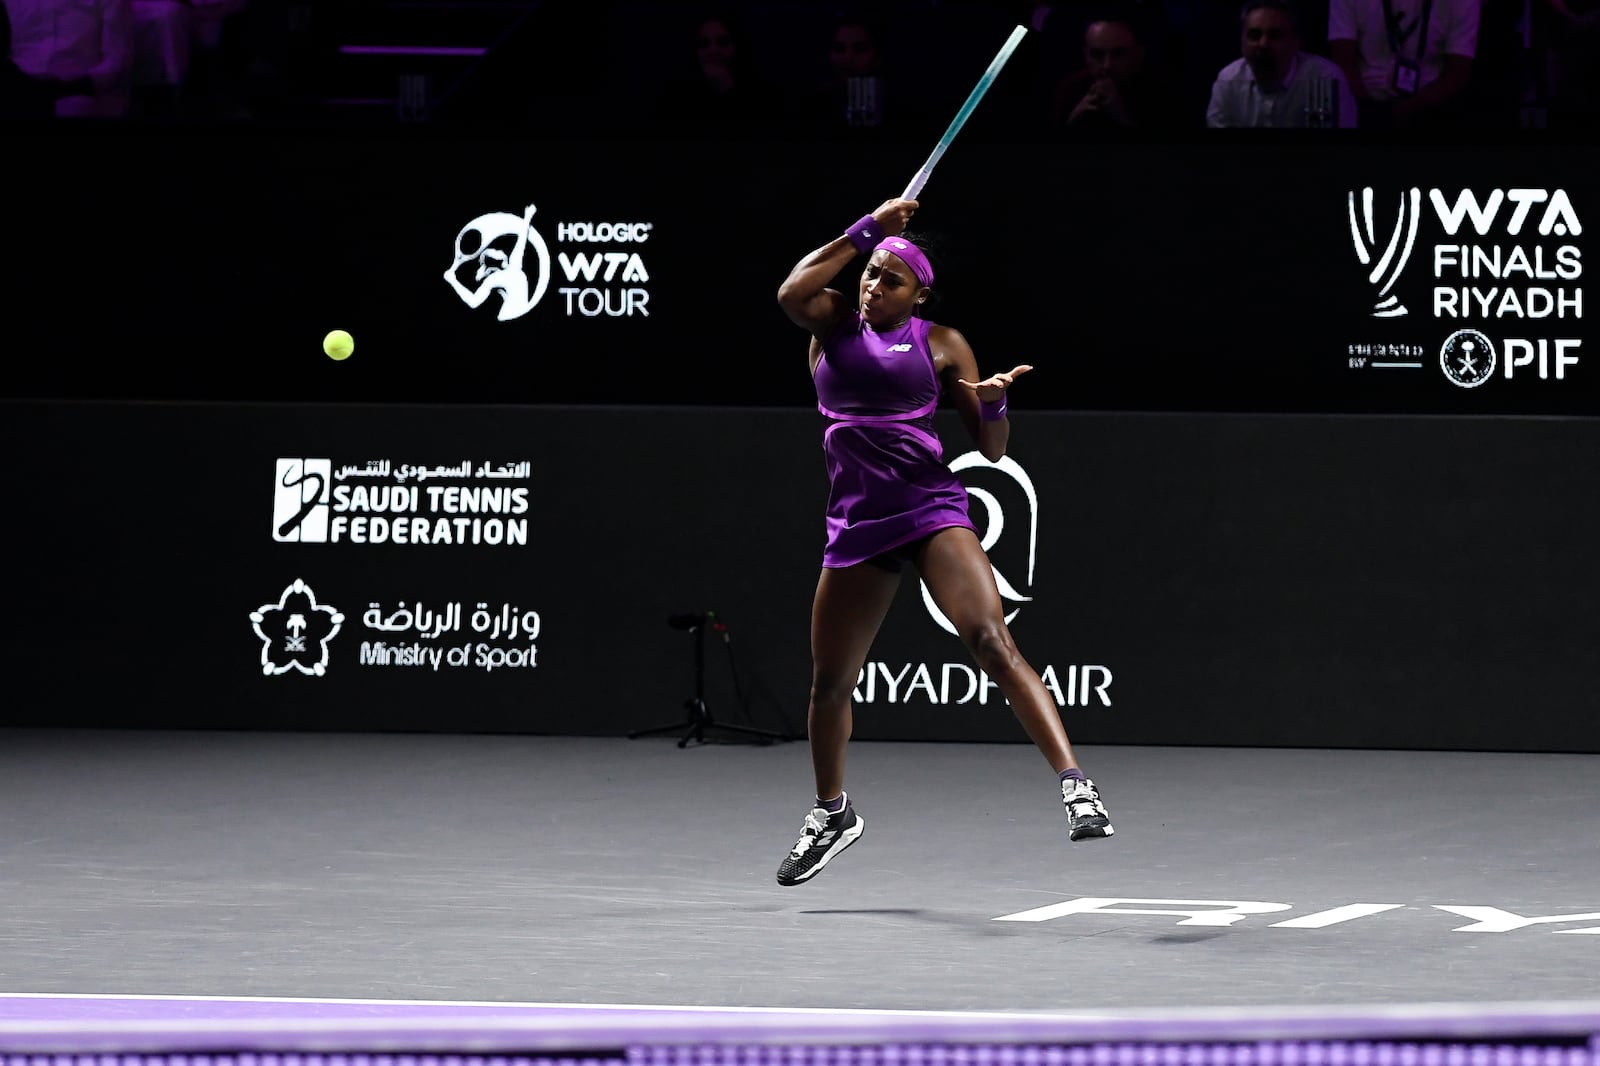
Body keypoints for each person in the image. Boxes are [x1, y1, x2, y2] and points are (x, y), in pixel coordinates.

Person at [771, 195, 1115, 887]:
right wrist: (866, 232)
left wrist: (991, 400)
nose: (872, 285)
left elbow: (990, 448)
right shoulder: (830, 321)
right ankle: (832, 813)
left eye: (889, 279)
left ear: (920, 292)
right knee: (830, 684)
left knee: (991, 640)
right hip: (857, 521)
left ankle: (1077, 786)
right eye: (869, 273)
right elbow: (790, 289)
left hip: (929, 508)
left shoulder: (941, 344)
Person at [1327, 0, 1480, 128]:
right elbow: (1342, 65)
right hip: (1365, 101)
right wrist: (1369, 112)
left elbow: (1457, 75)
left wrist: (1410, 108)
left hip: (1430, 105)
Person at [1208, 0, 1358, 127]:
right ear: (1242, 42)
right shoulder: (1228, 81)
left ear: (1295, 42)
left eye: (1275, 35)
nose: (1263, 44)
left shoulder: (1325, 78)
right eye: (1254, 35)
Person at [1049, 9, 1189, 132]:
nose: (1106, 65)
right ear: (1085, 55)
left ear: (1139, 54)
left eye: (1118, 54)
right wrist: (1073, 119)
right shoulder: (1070, 89)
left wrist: (1121, 117)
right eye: (1097, 54)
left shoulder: (1163, 94)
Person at [653, 9, 781, 138]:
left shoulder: (763, 93)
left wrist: (728, 90)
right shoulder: (675, 95)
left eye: (722, 42)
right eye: (704, 44)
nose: (712, 50)